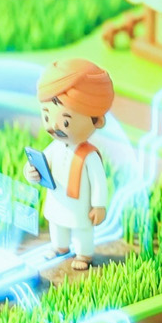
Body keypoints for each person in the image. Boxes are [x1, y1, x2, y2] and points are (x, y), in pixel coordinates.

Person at [26, 58, 115, 270]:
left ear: (96, 120)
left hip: (79, 207)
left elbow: (99, 182)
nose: (54, 126)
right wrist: (31, 172)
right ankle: (59, 247)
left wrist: (99, 205)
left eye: (65, 121)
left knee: (82, 230)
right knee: (57, 226)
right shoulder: (54, 148)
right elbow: (41, 162)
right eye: (46, 117)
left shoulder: (89, 156)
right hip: (57, 200)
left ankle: (84, 254)